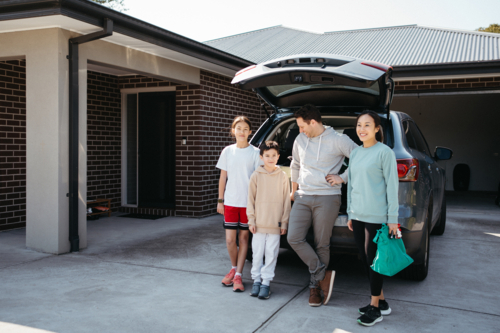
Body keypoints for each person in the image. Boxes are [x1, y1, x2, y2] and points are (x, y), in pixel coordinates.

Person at [288, 104, 358, 307]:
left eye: (302, 126)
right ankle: (321, 273)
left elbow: (361, 158)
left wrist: (343, 178)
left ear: (313, 122)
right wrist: (293, 191)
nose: (300, 131)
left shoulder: (338, 140)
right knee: (293, 237)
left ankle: (315, 287)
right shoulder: (301, 139)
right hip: (303, 195)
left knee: (322, 243)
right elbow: (296, 165)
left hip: (328, 196)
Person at [346, 110, 399, 327]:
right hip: (357, 215)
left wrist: (392, 219)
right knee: (367, 261)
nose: (362, 129)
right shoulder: (356, 153)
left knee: (374, 263)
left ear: (377, 128)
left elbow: (392, 187)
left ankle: (375, 308)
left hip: (377, 216)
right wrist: (350, 213)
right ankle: (382, 302)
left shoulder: (384, 152)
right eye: (359, 125)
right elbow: (351, 184)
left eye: (367, 125)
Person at [216, 116, 262, 292]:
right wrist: (221, 200)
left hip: (248, 204)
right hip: (230, 202)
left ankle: (239, 275)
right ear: (233, 131)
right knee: (229, 240)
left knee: (243, 239)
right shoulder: (227, 151)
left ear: (250, 132)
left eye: (245, 129)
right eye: (238, 128)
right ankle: (233, 268)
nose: (241, 132)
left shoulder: (255, 153)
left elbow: (259, 179)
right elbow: (223, 177)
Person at [247, 141, 291, 300]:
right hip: (258, 224)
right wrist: (251, 220)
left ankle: (266, 283)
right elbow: (250, 199)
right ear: (261, 157)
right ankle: (256, 281)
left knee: (271, 254)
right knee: (257, 253)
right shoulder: (256, 175)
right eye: (267, 156)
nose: (271, 158)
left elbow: (286, 201)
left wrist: (284, 222)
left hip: (275, 224)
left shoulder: (283, 176)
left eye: (274, 155)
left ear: (278, 156)